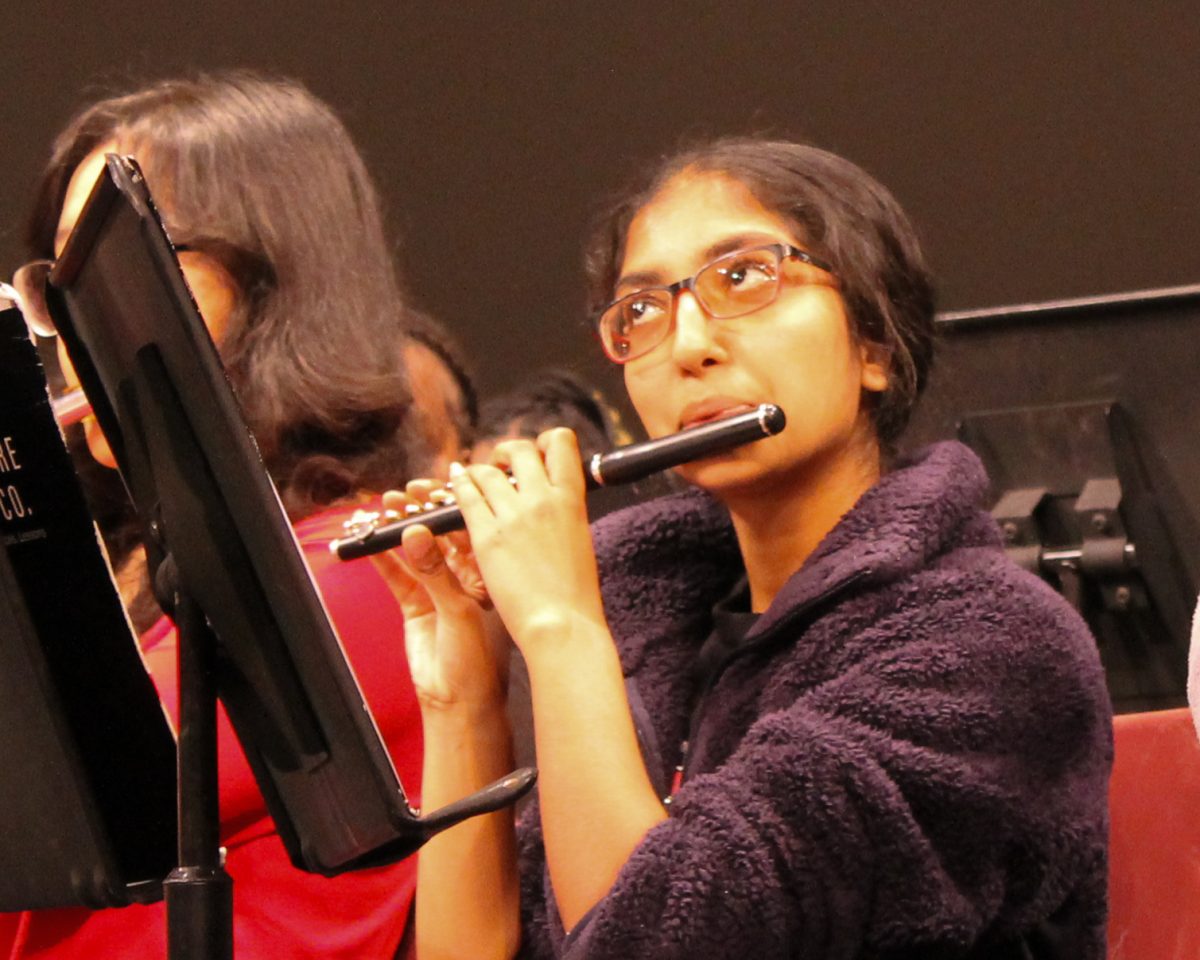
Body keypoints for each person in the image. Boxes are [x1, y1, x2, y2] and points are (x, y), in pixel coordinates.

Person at [376, 137, 1113, 959]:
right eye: (642, 311)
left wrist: (560, 628)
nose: (688, 346)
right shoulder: (650, 627)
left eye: (743, 277)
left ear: (874, 345)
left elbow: (663, 943)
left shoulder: (995, 648)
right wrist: (466, 697)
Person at [5, 72, 436, 960]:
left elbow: (68, 783)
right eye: (59, 290)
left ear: (282, 280)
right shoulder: (140, 572)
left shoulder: (366, 573)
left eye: (116, 276)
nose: (77, 338)